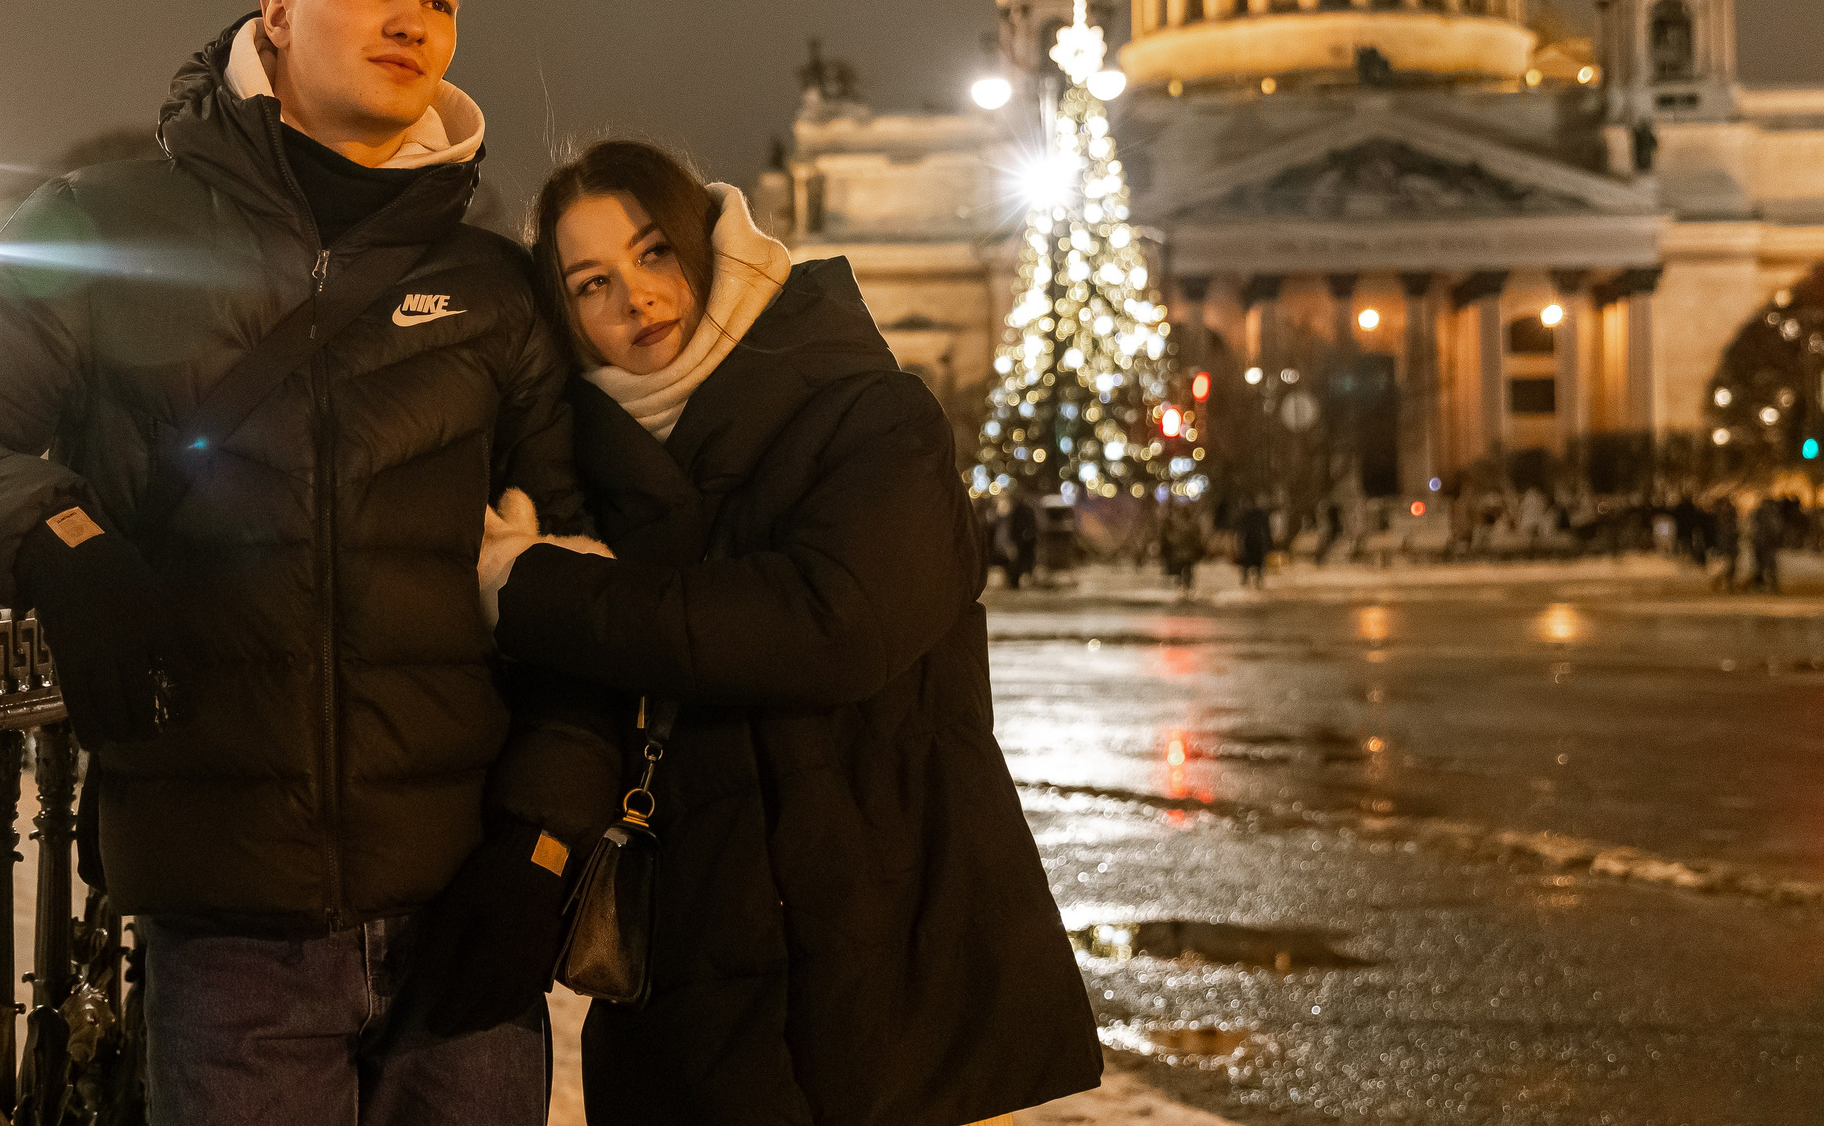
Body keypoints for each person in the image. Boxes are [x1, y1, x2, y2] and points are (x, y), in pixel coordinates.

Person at [0, 0, 617, 1125]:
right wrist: (57, 536)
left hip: (468, 907)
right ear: (275, 11)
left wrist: (539, 856)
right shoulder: (104, 228)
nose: (410, 20)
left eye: (439, 0)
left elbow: (582, 588)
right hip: (228, 932)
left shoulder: (494, 286)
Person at [476, 139, 1102, 1126]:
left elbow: (827, 626)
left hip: (886, 956)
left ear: (706, 245)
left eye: (652, 254)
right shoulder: (578, 468)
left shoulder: (872, 414)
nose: (635, 299)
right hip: (688, 975)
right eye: (589, 283)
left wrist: (536, 588)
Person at [1007, 488, 1042, 590]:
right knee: (1022, 560)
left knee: (1023, 560)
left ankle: (1021, 579)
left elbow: (1015, 526)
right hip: (1024, 540)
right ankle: (1020, 579)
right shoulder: (1022, 510)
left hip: (1025, 540)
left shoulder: (1020, 510)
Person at [1234, 496, 1271, 589]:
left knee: (1250, 560)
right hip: (1254, 540)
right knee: (1252, 560)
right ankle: (1251, 579)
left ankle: (1251, 579)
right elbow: (1266, 528)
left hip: (1253, 540)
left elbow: (1240, 530)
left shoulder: (1247, 515)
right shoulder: (1257, 514)